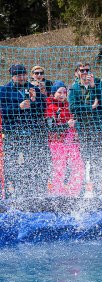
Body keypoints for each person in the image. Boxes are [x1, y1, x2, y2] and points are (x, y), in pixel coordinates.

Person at [0, 64, 49, 198]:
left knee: (30, 164)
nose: (22, 78)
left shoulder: (33, 89)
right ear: (13, 76)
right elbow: (2, 111)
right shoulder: (4, 90)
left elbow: (42, 110)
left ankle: (27, 192)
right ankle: (10, 193)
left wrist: (34, 100)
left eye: (23, 75)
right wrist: (18, 107)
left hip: (30, 134)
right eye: (18, 75)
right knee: (11, 165)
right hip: (12, 134)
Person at [68, 62, 102, 196]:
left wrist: (93, 87)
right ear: (77, 72)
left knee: (97, 161)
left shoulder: (99, 84)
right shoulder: (74, 88)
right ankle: (81, 191)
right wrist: (89, 108)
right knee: (83, 161)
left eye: (87, 70)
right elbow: (73, 108)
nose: (85, 73)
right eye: (82, 70)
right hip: (83, 129)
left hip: (98, 129)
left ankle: (97, 191)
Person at [45, 81, 85, 197]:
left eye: (64, 92)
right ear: (53, 94)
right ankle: (58, 193)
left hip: (71, 141)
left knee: (78, 166)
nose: (62, 95)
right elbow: (51, 128)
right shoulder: (50, 107)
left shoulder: (69, 106)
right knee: (59, 169)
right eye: (59, 92)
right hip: (56, 142)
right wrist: (67, 125)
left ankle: (73, 192)